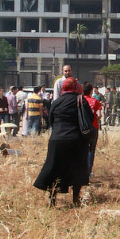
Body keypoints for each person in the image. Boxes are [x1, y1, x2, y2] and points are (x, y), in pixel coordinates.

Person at [33, 78, 94, 207]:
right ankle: (75, 198)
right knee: (77, 169)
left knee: (55, 168)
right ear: (77, 88)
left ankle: (52, 198)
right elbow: (90, 117)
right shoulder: (80, 100)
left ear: (63, 88)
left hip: (57, 139)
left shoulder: (56, 102)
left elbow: (51, 120)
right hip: (76, 140)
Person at [82, 83, 102, 179]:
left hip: (82, 129)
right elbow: (99, 115)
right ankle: (88, 172)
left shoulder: (80, 101)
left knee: (82, 149)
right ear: (91, 91)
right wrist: (94, 120)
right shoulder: (95, 101)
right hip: (93, 128)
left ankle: (81, 171)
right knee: (91, 150)